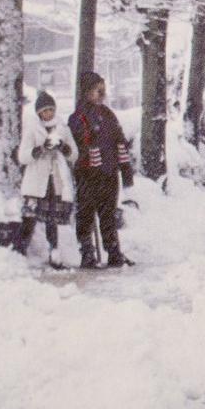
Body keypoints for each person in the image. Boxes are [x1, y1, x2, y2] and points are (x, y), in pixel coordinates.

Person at [68, 72, 135, 268]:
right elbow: (77, 147)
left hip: (109, 173)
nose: (102, 94)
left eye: (103, 90)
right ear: (87, 91)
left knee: (108, 214)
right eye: (98, 90)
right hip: (88, 176)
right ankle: (87, 252)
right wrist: (87, 157)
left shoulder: (108, 114)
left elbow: (120, 141)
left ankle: (113, 251)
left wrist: (125, 169)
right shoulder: (77, 118)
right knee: (86, 214)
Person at [16, 91, 78, 268]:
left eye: (51, 110)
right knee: (30, 218)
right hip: (36, 181)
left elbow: (74, 154)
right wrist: (40, 149)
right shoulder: (32, 128)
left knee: (52, 219)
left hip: (55, 180)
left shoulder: (62, 128)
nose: (48, 114)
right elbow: (22, 156)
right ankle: (20, 252)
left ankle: (55, 254)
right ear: (38, 113)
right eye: (45, 111)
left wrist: (63, 148)